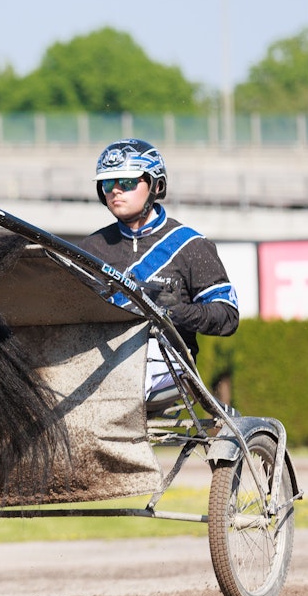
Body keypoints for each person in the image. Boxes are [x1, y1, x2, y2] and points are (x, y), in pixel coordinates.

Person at [79, 139, 239, 413]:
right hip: (98, 363)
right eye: (108, 184)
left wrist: (175, 312)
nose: (116, 190)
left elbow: (227, 316)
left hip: (168, 364)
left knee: (110, 388)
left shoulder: (191, 245)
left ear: (156, 185)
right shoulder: (90, 249)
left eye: (127, 182)